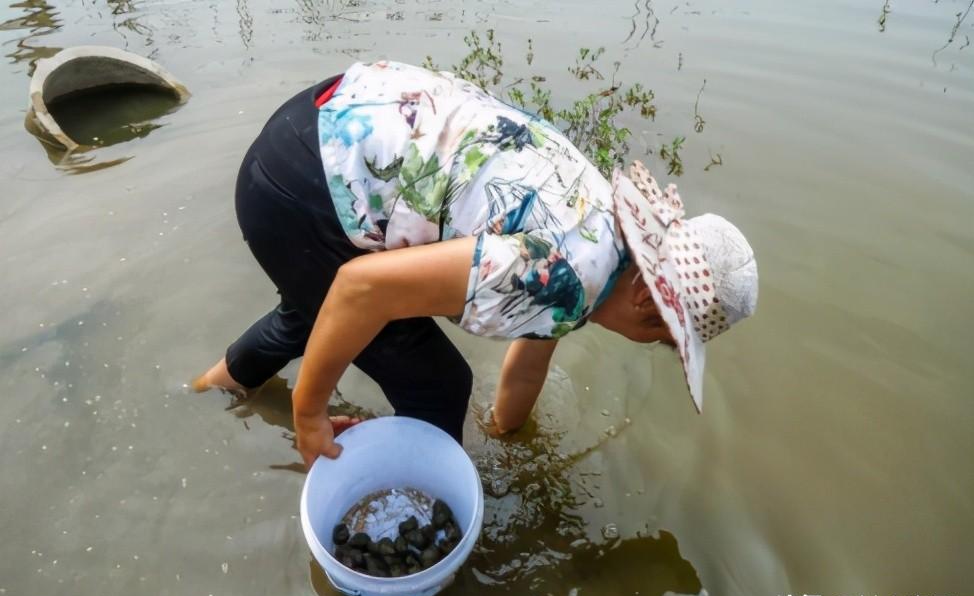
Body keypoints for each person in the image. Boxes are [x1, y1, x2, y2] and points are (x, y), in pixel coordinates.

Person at [193, 61, 759, 469]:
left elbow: (529, 366)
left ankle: (207, 395)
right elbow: (360, 288)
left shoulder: (600, 236)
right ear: (646, 302)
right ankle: (418, 543)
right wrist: (310, 413)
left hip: (323, 128)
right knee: (439, 385)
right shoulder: (567, 280)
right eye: (663, 338)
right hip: (306, 189)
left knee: (313, 314)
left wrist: (505, 441)